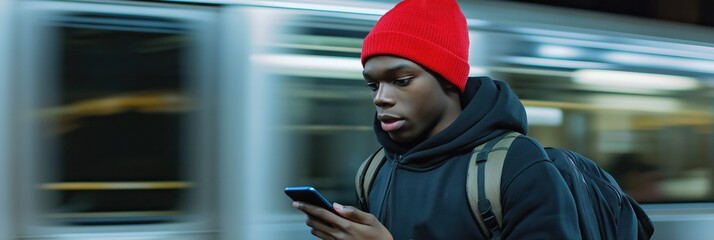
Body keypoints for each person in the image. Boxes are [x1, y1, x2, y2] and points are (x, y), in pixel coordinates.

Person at [291, 0, 580, 239]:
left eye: (401, 80)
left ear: (449, 81)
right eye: (373, 85)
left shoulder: (515, 165)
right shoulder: (374, 170)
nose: (381, 97)